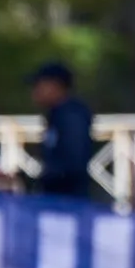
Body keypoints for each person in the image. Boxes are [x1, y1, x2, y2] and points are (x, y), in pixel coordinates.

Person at [31, 62, 93, 198]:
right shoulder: (56, 115)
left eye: (38, 85)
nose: (35, 91)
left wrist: (47, 178)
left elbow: (74, 161)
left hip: (69, 199)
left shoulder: (72, 116)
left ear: (54, 85)